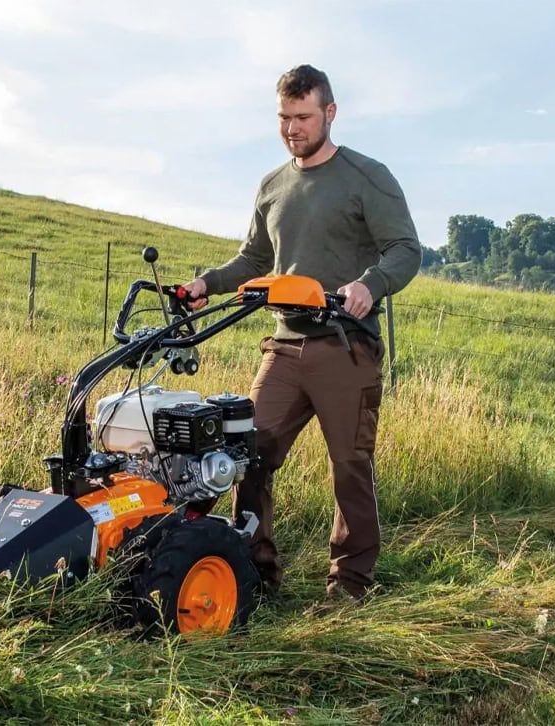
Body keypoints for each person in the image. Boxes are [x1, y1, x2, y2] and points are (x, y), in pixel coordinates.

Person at [180, 64, 420, 603]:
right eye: (285, 118)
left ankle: (350, 583)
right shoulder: (272, 185)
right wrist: (206, 284)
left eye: (304, 117)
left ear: (329, 113)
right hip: (284, 345)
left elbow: (406, 249)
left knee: (350, 467)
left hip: (345, 345)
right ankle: (255, 570)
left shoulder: (367, 177)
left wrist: (370, 285)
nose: (293, 128)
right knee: (249, 453)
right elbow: (254, 258)